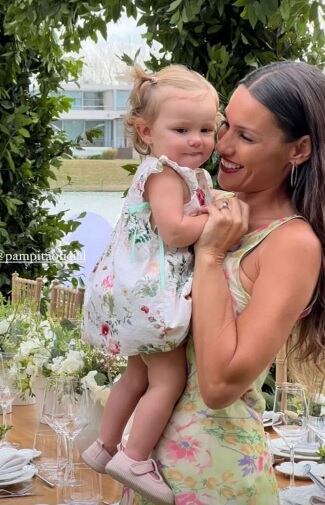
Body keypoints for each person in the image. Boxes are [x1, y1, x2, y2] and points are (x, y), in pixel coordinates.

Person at [120, 60, 325, 505]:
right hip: (147, 465)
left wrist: (211, 255)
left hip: (217, 478)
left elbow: (218, 387)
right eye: (225, 125)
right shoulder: (209, 204)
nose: (221, 146)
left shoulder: (292, 243)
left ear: (300, 149)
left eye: (246, 137)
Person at [82, 64, 229, 505]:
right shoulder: (165, 174)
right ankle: (134, 456)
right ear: (146, 132)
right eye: (182, 128)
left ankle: (103, 445)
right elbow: (173, 232)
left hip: (136, 292)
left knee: (137, 373)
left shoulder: (185, 173)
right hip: (152, 296)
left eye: (207, 128)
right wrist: (212, 219)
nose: (197, 139)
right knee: (168, 379)